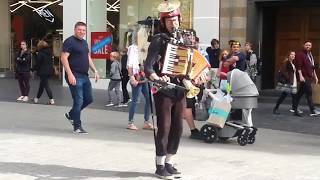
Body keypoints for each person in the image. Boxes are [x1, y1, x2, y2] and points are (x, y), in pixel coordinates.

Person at [144, 2, 185, 179]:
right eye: (168, 20)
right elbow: (148, 67)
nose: (172, 23)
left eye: (174, 19)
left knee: (178, 128)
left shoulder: (185, 39)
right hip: (164, 90)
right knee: (165, 127)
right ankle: (159, 165)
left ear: (179, 20)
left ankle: (170, 161)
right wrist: (157, 78)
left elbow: (191, 63)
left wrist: (198, 76)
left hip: (181, 89)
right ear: (163, 22)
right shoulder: (159, 39)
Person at [61, 21, 99, 134]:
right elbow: (64, 58)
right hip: (74, 75)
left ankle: (71, 115)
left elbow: (88, 58)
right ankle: (77, 127)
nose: (82, 32)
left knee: (88, 99)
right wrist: (70, 74)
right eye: (79, 29)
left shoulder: (84, 43)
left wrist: (95, 70)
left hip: (84, 75)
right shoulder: (69, 42)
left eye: (83, 30)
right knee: (78, 100)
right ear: (75, 30)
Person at [126, 43, 153, 130]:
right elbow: (130, 64)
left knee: (149, 99)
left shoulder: (146, 47)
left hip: (144, 76)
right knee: (136, 100)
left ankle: (146, 122)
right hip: (137, 75)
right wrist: (132, 77)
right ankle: (130, 122)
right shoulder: (133, 48)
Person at [292, 41, 320, 117]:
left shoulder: (309, 55)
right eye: (306, 45)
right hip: (304, 77)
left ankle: (294, 108)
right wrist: (300, 76)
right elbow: (299, 66)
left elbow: (312, 67)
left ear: (311, 46)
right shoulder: (300, 54)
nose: (308, 46)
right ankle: (312, 110)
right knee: (309, 93)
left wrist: (316, 77)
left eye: (309, 45)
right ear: (303, 45)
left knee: (300, 93)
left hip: (309, 77)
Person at [273, 51, 298, 115]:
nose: (293, 56)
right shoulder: (287, 62)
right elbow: (284, 72)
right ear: (288, 55)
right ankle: (275, 108)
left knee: (294, 96)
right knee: (283, 96)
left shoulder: (292, 62)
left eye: (294, 55)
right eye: (291, 54)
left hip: (293, 82)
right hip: (289, 82)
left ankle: (295, 111)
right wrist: (288, 79)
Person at [33, 40, 55, 105]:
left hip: (43, 71)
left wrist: (33, 69)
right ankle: (36, 99)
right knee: (42, 85)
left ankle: (51, 100)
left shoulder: (40, 53)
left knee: (46, 85)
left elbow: (38, 63)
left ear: (40, 46)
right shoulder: (50, 52)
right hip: (49, 71)